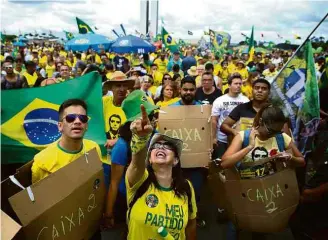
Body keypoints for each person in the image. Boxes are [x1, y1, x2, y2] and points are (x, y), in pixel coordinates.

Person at [221, 104, 305, 240]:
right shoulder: (244, 136)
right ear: (261, 122)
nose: (274, 134)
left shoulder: (281, 137)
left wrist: (290, 157)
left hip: (270, 192)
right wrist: (249, 147)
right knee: (236, 223)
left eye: (277, 131)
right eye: (271, 130)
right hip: (245, 191)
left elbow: (301, 161)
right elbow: (225, 163)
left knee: (262, 227)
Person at [125, 104, 197, 240]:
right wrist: (141, 138)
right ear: (150, 159)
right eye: (156, 146)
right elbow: (136, 165)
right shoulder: (140, 181)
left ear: (175, 160)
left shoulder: (186, 187)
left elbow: (191, 224)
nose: (161, 147)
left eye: (168, 146)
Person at [102, 90, 158, 230]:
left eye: (152, 115)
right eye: (148, 116)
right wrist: (108, 214)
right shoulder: (121, 146)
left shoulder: (157, 136)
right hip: (129, 202)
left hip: (154, 198)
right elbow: (114, 183)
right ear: (134, 122)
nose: (152, 120)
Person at [31, 99, 102, 183]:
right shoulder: (41, 162)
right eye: (70, 118)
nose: (78, 121)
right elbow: (39, 194)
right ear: (60, 126)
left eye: (82, 118)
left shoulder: (94, 148)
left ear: (86, 125)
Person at [102, 71, 135, 187]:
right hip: (104, 158)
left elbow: (135, 132)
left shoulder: (132, 105)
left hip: (124, 159)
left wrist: (116, 141)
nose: (121, 89)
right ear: (111, 87)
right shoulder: (104, 102)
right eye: (117, 85)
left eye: (124, 85)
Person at [211, 73, 249, 159]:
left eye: (240, 84)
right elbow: (214, 120)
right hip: (221, 139)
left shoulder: (246, 100)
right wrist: (213, 138)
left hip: (240, 139)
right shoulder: (219, 100)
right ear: (229, 85)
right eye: (236, 83)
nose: (238, 86)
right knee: (221, 164)